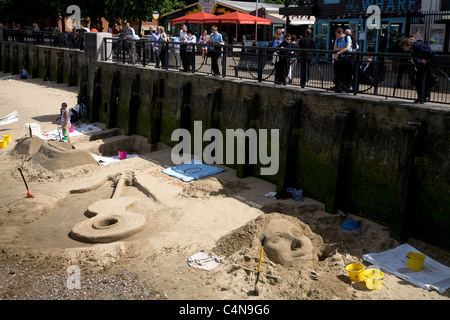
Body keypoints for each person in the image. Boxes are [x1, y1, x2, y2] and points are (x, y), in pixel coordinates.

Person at [400, 38, 437, 103]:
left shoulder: (416, 46)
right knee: (419, 82)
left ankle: (423, 97)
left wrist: (426, 59)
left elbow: (429, 51)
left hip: (426, 65)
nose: (404, 49)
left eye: (404, 47)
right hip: (421, 66)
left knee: (425, 81)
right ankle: (420, 97)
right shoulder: (413, 48)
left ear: (407, 45)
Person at [333, 27, 354, 92]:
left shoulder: (347, 38)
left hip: (349, 58)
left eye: (337, 34)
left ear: (341, 33)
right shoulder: (337, 39)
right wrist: (343, 50)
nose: (336, 36)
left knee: (348, 74)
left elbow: (348, 48)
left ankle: (347, 88)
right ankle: (339, 87)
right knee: (340, 73)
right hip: (342, 57)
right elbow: (335, 48)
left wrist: (338, 52)